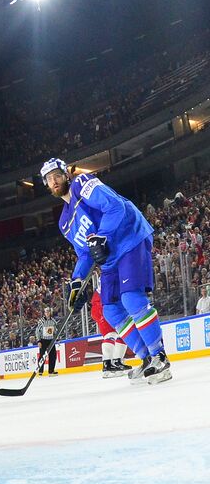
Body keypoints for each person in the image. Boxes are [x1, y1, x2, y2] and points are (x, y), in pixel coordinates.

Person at [42, 158, 171, 384]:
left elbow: (114, 206)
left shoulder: (81, 183)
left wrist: (102, 236)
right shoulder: (64, 222)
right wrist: (76, 283)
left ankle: (160, 357)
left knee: (131, 298)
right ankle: (146, 359)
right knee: (111, 310)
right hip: (110, 258)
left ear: (66, 175)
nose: (54, 181)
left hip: (129, 237)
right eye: (49, 179)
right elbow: (84, 253)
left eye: (57, 175)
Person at [89, 275, 131, 377]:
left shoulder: (110, 269)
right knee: (111, 334)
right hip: (103, 305)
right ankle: (108, 365)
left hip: (104, 304)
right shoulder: (114, 270)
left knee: (122, 333)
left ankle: (116, 363)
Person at [35, 307, 59, 377]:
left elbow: (55, 331)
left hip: (51, 340)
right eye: (46, 312)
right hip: (43, 340)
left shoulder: (53, 321)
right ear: (44, 313)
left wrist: (56, 338)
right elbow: (37, 331)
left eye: (49, 312)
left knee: (53, 355)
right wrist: (39, 340)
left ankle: (51, 371)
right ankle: (40, 371)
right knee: (42, 356)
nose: (47, 313)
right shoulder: (41, 321)